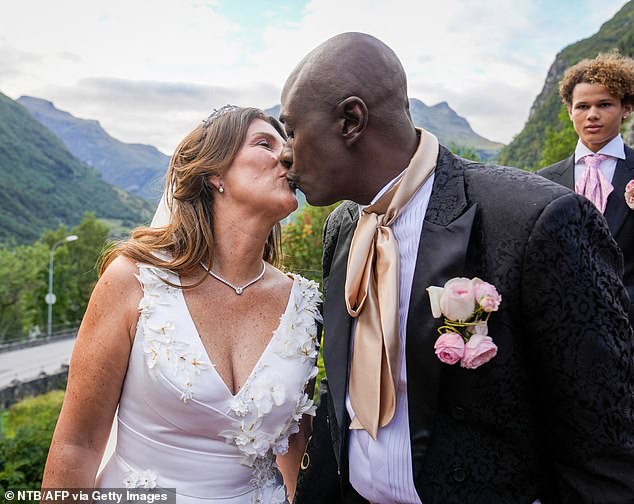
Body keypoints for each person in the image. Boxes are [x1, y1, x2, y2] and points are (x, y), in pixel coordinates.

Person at [278, 33, 634, 503]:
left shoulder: (534, 220)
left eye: (291, 131)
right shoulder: (344, 226)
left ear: (351, 120)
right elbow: (340, 392)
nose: (284, 152)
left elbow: (601, 441)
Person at [41, 106, 322, 503]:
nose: (288, 155)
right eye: (264, 143)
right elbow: (78, 443)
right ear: (214, 174)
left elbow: (296, 446)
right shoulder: (133, 281)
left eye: (287, 145)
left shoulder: (304, 304)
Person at [539, 53, 634, 322]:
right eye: (582, 106)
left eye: (604, 104)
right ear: (570, 112)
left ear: (626, 108)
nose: (592, 115)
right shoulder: (544, 180)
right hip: (564, 324)